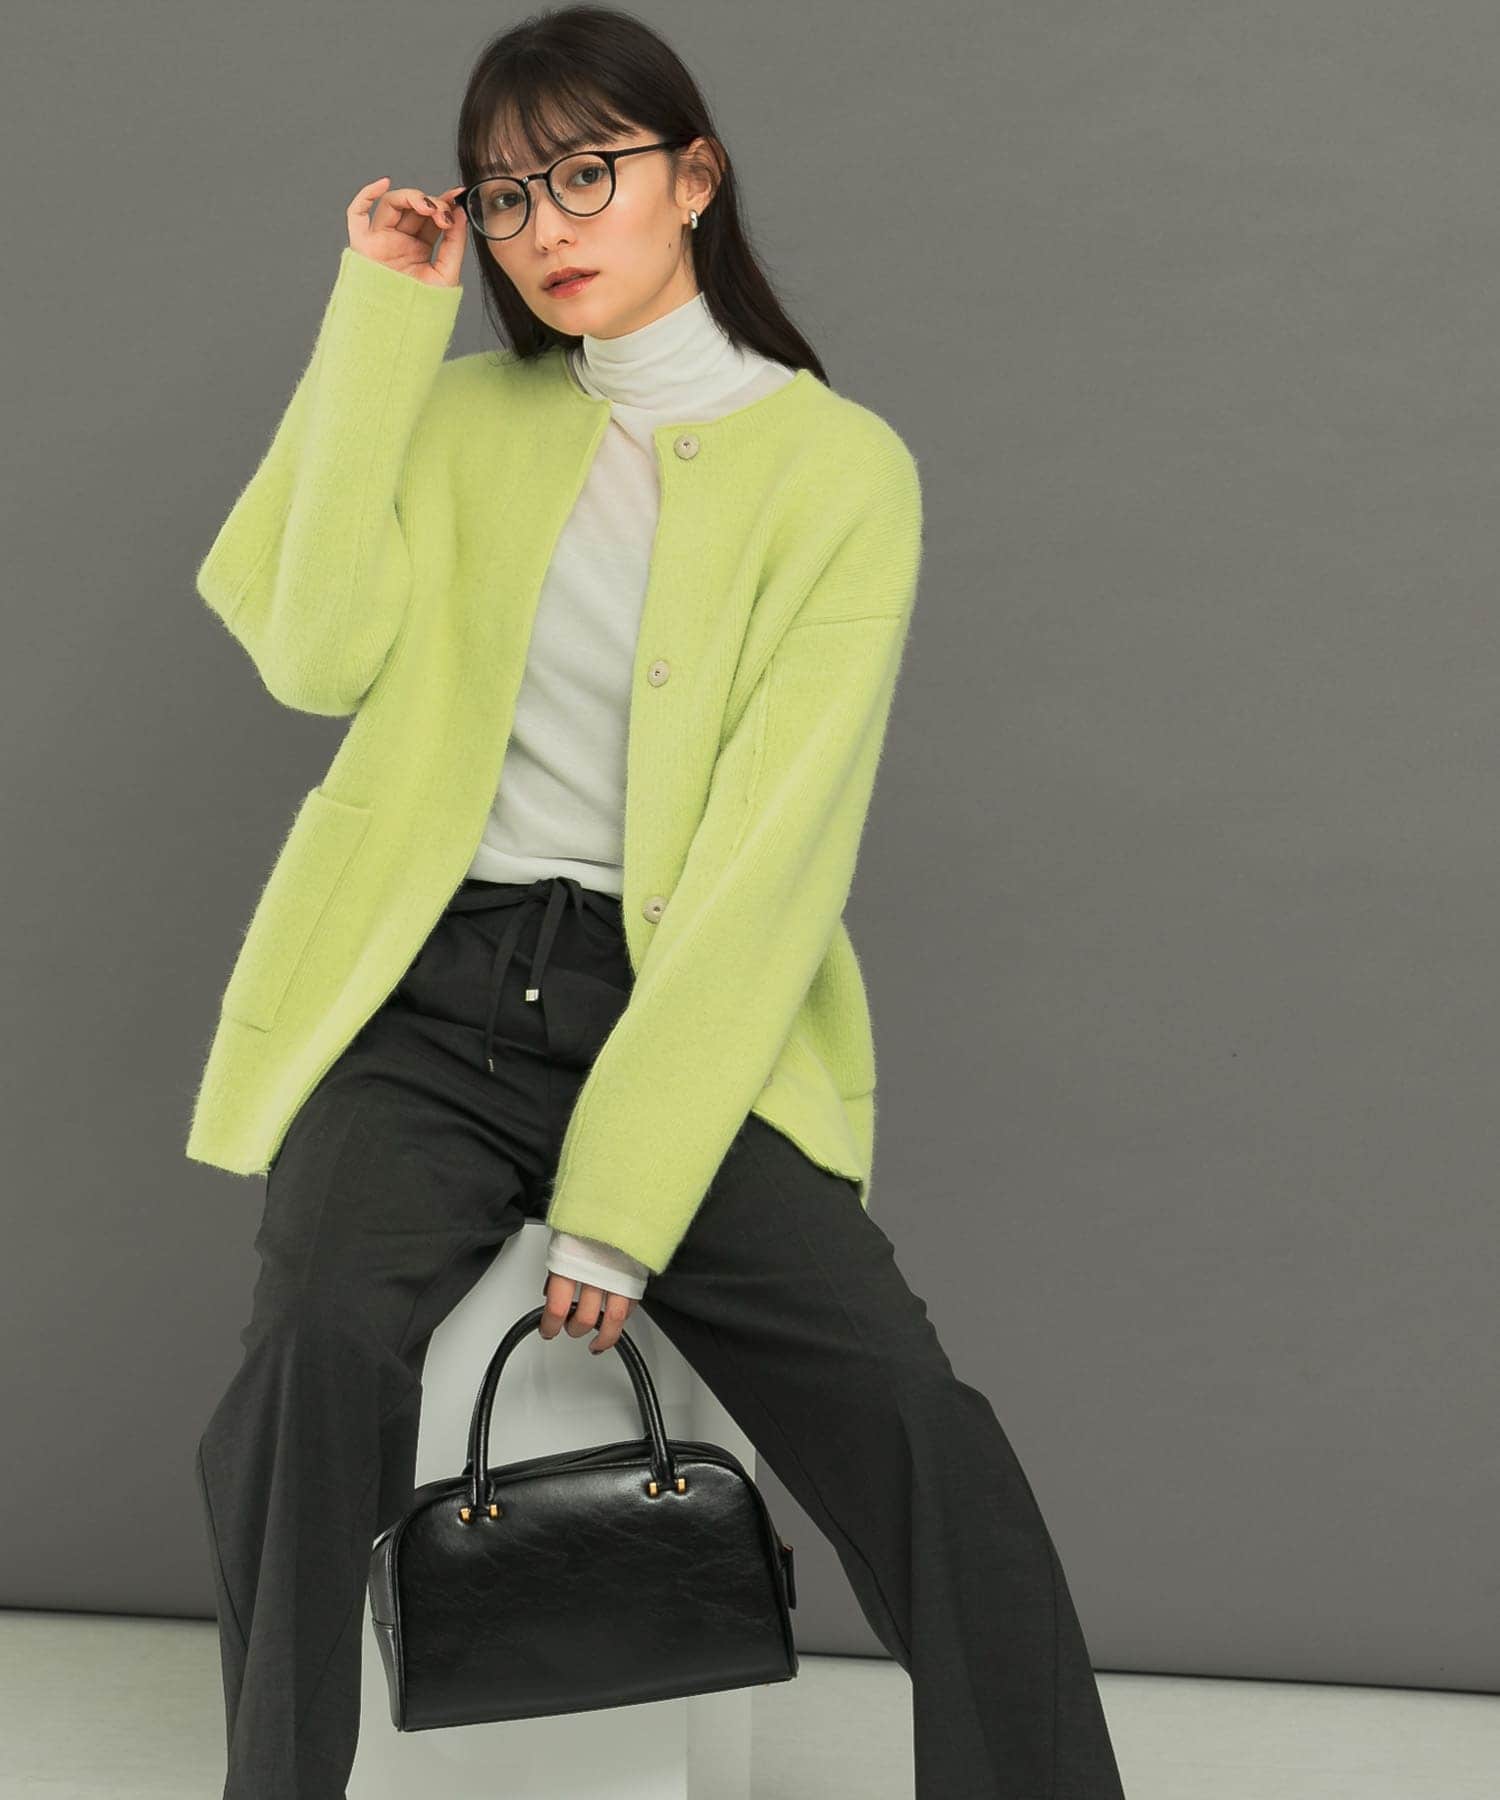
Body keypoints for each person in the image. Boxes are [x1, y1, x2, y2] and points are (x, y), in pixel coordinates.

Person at [189, 7, 1129, 1797]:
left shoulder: (839, 470)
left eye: (585, 175)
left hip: (684, 1009)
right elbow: (309, 654)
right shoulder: (455, 415)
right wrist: (380, 318)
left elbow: (775, 865)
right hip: (431, 1004)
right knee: (304, 1367)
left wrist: (619, 1210)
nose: (542, 227)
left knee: (914, 1424)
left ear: (694, 177)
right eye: (503, 194)